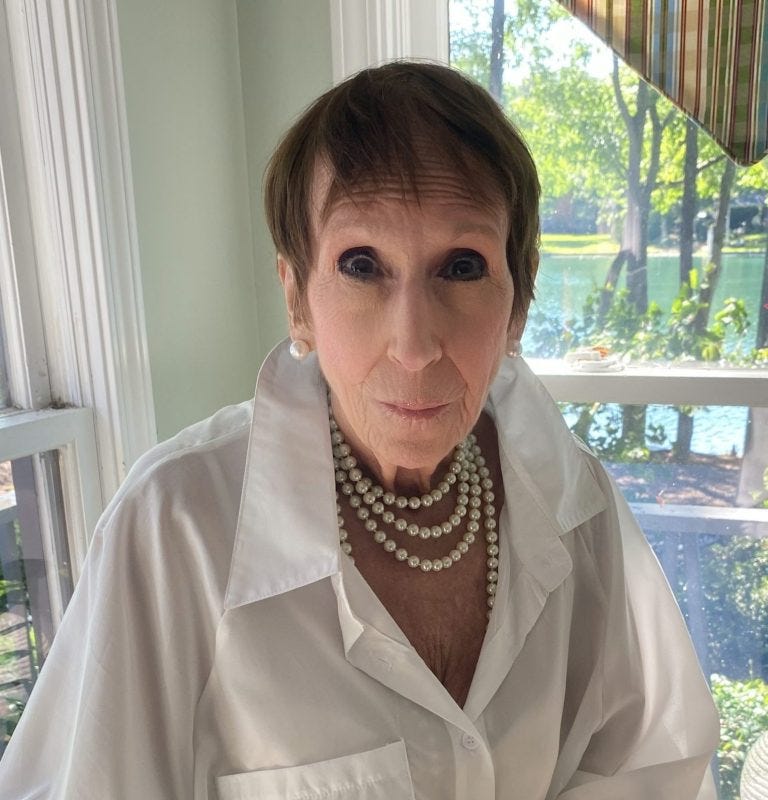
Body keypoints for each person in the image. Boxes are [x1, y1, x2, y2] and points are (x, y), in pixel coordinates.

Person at [0, 61, 718, 799]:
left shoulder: (575, 503)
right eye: (362, 265)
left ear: (519, 301)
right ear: (298, 300)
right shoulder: (175, 524)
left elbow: (648, 762)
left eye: (462, 266)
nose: (414, 346)